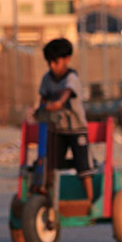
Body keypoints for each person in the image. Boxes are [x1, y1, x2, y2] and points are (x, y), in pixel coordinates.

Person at [38, 37, 93, 205]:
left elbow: (67, 92)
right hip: (57, 129)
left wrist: (59, 103)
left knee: (83, 165)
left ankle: (89, 200)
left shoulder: (71, 77)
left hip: (76, 129)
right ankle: (46, 194)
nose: (53, 66)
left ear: (67, 59)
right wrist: (39, 109)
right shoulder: (47, 79)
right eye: (50, 63)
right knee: (50, 161)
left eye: (56, 62)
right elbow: (42, 98)